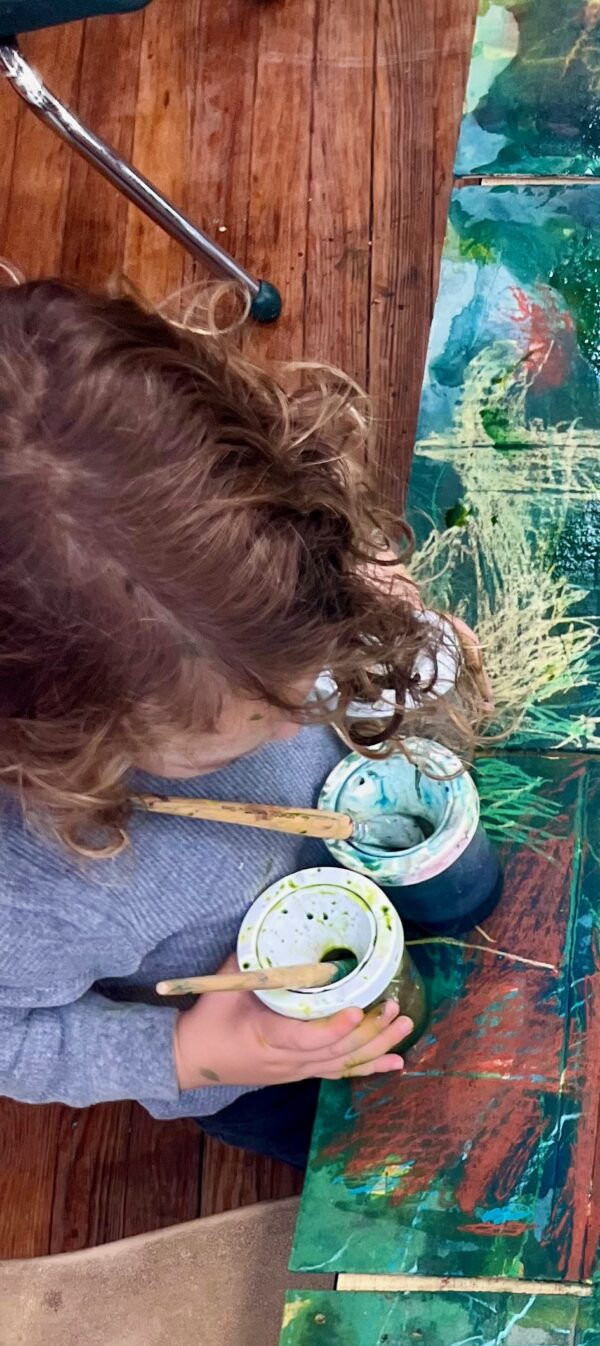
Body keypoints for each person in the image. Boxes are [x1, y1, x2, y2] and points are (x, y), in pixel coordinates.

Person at [0, 279, 481, 1166]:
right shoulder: (22, 894)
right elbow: (13, 1039)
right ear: (60, 750)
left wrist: (372, 625)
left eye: (303, 679)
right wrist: (195, 1052)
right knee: (385, 1151)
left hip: (357, 862)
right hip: (260, 1039)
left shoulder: (266, 559)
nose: (294, 720)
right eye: (257, 722)